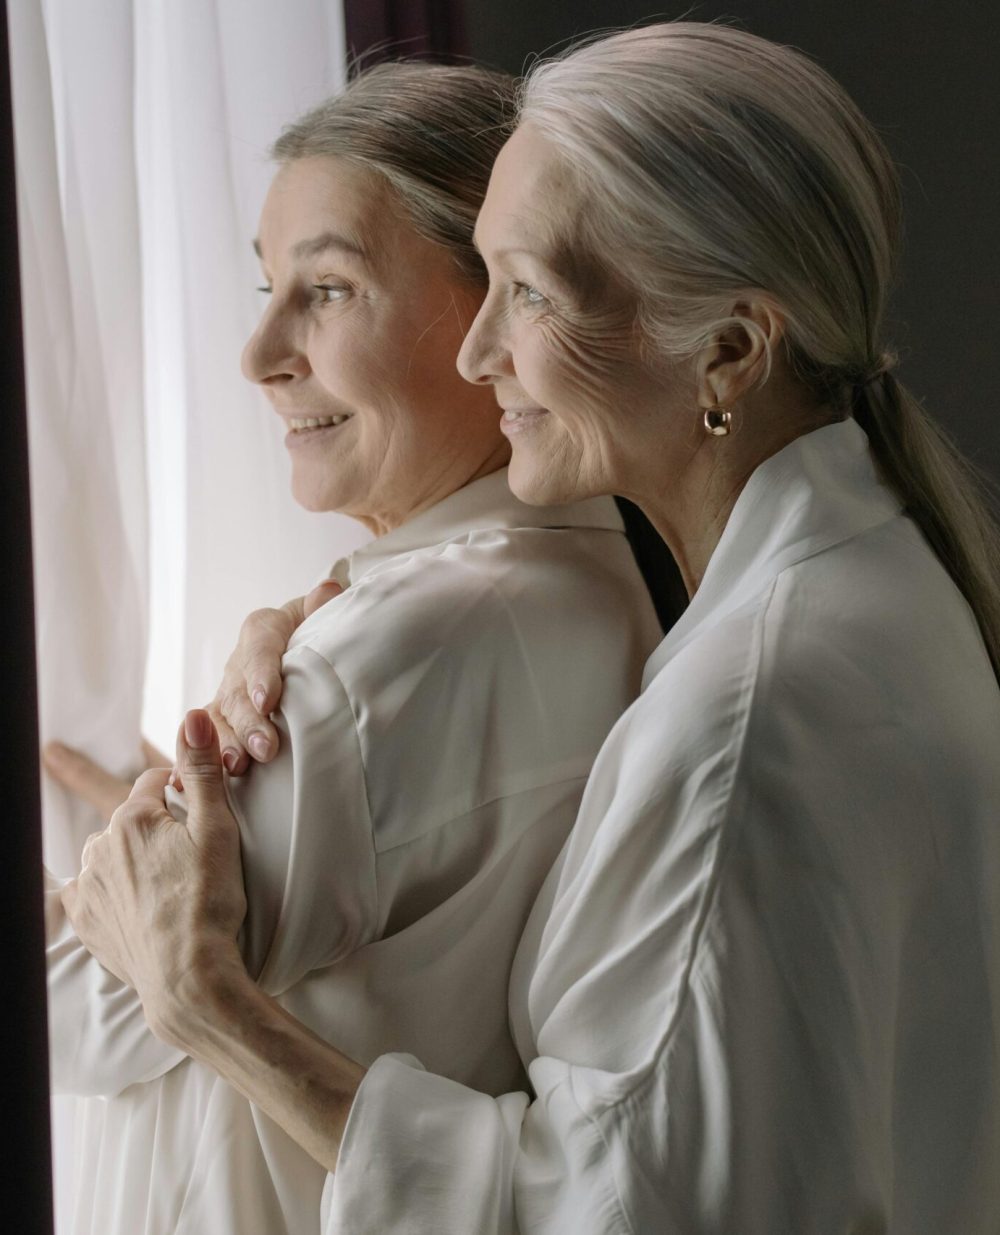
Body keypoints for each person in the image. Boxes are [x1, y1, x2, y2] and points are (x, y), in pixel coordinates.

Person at [65, 21, 1000, 1234]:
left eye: (527, 293)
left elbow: (622, 1213)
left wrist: (210, 1005)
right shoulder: (868, 581)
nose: (475, 348)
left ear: (725, 352)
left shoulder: (743, 722)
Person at [44, 61, 667, 1235]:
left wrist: (94, 886)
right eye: (265, 285)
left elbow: (73, 1019)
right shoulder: (590, 588)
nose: (259, 351)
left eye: (325, 289)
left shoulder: (370, 667)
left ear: (502, 314)